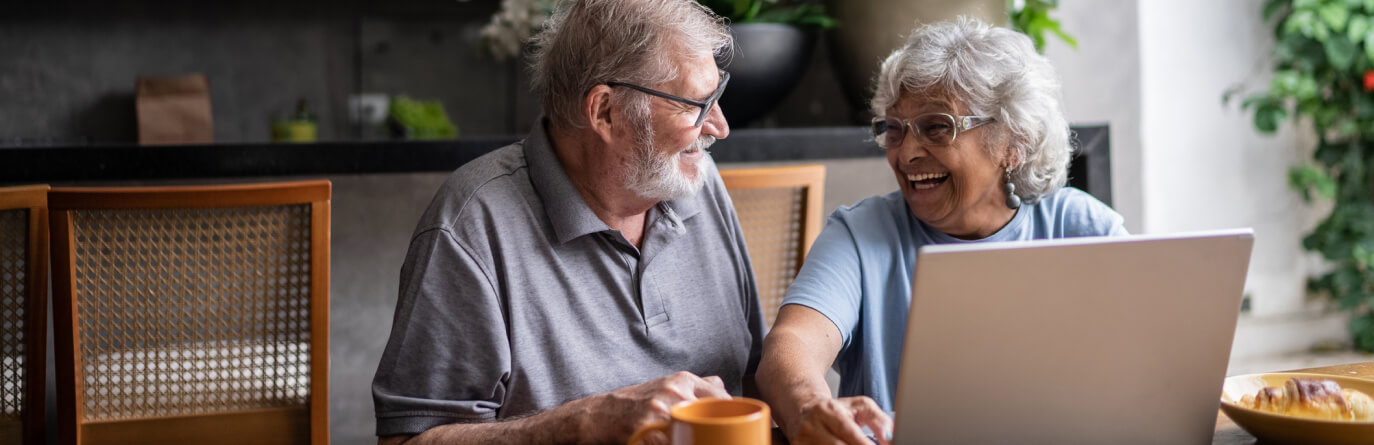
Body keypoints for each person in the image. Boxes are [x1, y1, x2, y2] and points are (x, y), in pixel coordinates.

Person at [370, 1, 764, 444]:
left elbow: (750, 376)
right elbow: (408, 440)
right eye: (697, 103)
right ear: (605, 113)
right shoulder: (471, 226)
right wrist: (582, 424)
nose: (720, 126)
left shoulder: (699, 183)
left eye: (718, 94)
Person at [756, 17, 1128, 445]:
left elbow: (1148, 360)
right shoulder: (860, 236)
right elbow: (791, 345)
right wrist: (807, 407)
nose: (907, 153)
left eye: (936, 127)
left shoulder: (1083, 229)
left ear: (1013, 143)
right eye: (893, 129)